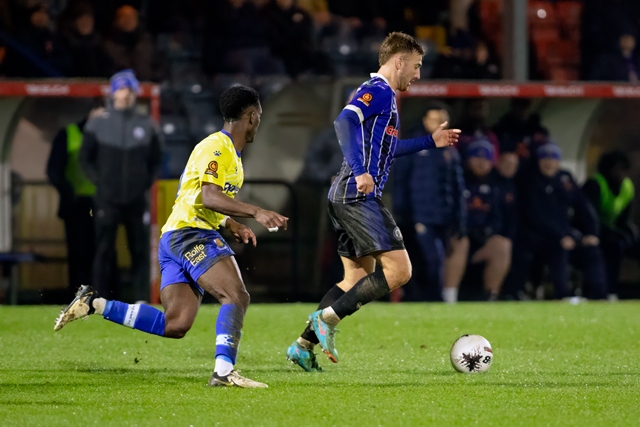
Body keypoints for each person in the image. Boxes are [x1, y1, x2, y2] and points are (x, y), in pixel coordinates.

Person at [54, 85, 289, 388]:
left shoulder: (227, 151)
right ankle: (223, 371)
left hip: (175, 238)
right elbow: (209, 196)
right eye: (258, 117)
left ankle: (94, 304)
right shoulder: (218, 147)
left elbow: (199, 196)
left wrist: (230, 223)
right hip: (191, 235)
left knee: (175, 324)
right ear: (251, 116)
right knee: (236, 295)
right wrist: (256, 213)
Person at [286, 32, 460, 371]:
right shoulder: (378, 90)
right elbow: (344, 121)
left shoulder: (388, 99)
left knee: (354, 279)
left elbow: (388, 148)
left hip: (344, 193)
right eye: (416, 66)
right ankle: (328, 321)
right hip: (356, 192)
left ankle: (303, 346)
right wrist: (363, 170)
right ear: (399, 61)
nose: (418, 74)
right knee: (399, 270)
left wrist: (430, 141)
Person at [80, 70, 161, 302]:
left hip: (136, 199)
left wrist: (144, 183)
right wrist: (100, 182)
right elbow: (85, 159)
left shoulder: (146, 124)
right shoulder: (98, 124)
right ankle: (98, 301)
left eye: (129, 91)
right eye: (122, 90)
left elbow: (156, 160)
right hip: (107, 198)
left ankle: (141, 300)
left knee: (139, 250)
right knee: (103, 251)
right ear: (113, 94)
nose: (125, 95)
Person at [392, 103, 466, 302]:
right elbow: (400, 181)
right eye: (433, 119)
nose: (437, 123)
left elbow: (458, 187)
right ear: (425, 121)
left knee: (438, 259)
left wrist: (460, 218)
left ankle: (434, 299)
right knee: (431, 258)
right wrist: (401, 213)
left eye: (442, 119)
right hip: (420, 216)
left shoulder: (451, 149)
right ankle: (431, 299)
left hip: (444, 217)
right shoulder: (415, 146)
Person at [46, 102, 104, 296]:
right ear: (90, 113)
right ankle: (78, 297)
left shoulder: (107, 136)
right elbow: (54, 170)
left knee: (103, 254)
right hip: (76, 206)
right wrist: (69, 193)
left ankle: (102, 297)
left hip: (103, 205)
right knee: (79, 253)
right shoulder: (68, 134)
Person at [456, 139, 511, 302]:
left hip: (480, 244)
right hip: (456, 242)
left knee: (503, 245)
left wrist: (486, 233)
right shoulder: (457, 181)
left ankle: (491, 296)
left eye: (486, 159)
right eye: (477, 158)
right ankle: (448, 296)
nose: (481, 163)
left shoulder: (495, 186)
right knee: (461, 241)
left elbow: (497, 219)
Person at [583, 150, 639, 299]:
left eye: (623, 169)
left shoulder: (627, 187)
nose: (619, 173)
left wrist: (630, 233)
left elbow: (624, 220)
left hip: (613, 230)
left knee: (630, 241)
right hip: (595, 231)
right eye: (616, 169)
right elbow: (588, 218)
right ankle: (610, 291)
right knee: (615, 246)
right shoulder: (595, 184)